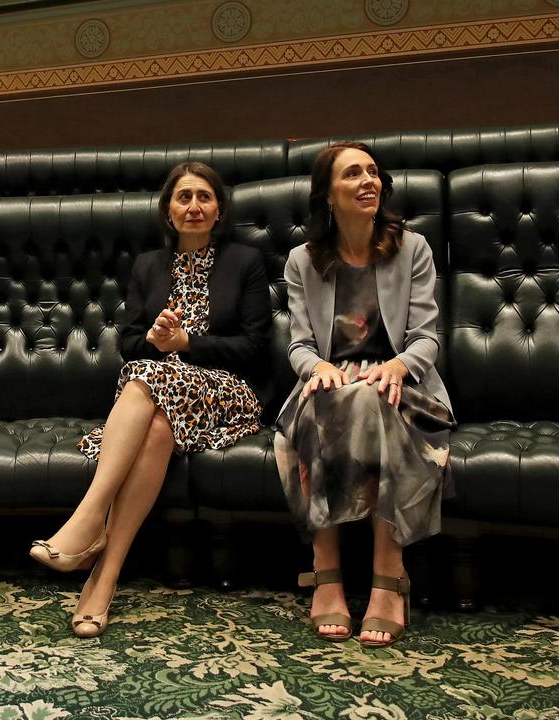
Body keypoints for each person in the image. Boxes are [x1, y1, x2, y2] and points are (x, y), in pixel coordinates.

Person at [29, 161, 271, 638]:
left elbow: (254, 346)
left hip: (227, 392)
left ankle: (88, 518)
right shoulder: (148, 266)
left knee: (143, 378)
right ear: (168, 210)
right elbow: (129, 341)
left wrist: (186, 345)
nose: (194, 206)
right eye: (183, 197)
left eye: (204, 196)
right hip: (161, 394)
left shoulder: (245, 262)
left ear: (219, 209)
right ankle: (105, 578)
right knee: (156, 420)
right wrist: (159, 341)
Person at [274, 141, 454, 648]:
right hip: (330, 383)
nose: (368, 182)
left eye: (373, 173)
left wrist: (396, 365)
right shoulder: (302, 260)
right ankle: (326, 569)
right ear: (327, 194)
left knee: (373, 397)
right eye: (353, 174)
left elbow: (426, 338)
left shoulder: (411, 248)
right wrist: (323, 369)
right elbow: (300, 346)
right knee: (339, 399)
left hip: (405, 386)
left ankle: (387, 575)